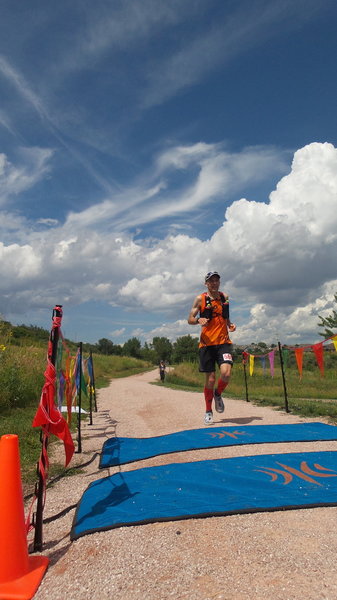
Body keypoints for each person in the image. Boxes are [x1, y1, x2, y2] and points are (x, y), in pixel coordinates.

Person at [188, 271, 236, 425]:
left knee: (226, 374)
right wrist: (198, 320)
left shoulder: (224, 297)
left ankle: (218, 393)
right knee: (210, 379)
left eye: (216, 280)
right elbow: (190, 319)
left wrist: (230, 324)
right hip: (207, 344)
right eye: (211, 281)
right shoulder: (200, 299)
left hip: (223, 342)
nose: (214, 283)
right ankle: (208, 411)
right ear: (206, 283)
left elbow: (226, 315)